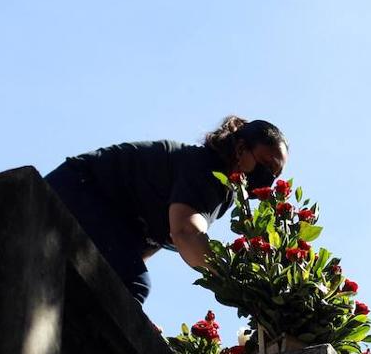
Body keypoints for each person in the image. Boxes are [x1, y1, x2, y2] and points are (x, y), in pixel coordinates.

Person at [45, 116, 288, 303]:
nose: (267, 179)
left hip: (98, 207)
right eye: (265, 164)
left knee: (113, 282)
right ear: (240, 149)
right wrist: (238, 285)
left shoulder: (223, 193)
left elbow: (152, 239)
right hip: (78, 189)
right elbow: (185, 233)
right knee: (130, 285)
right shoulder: (207, 171)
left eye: (274, 175)